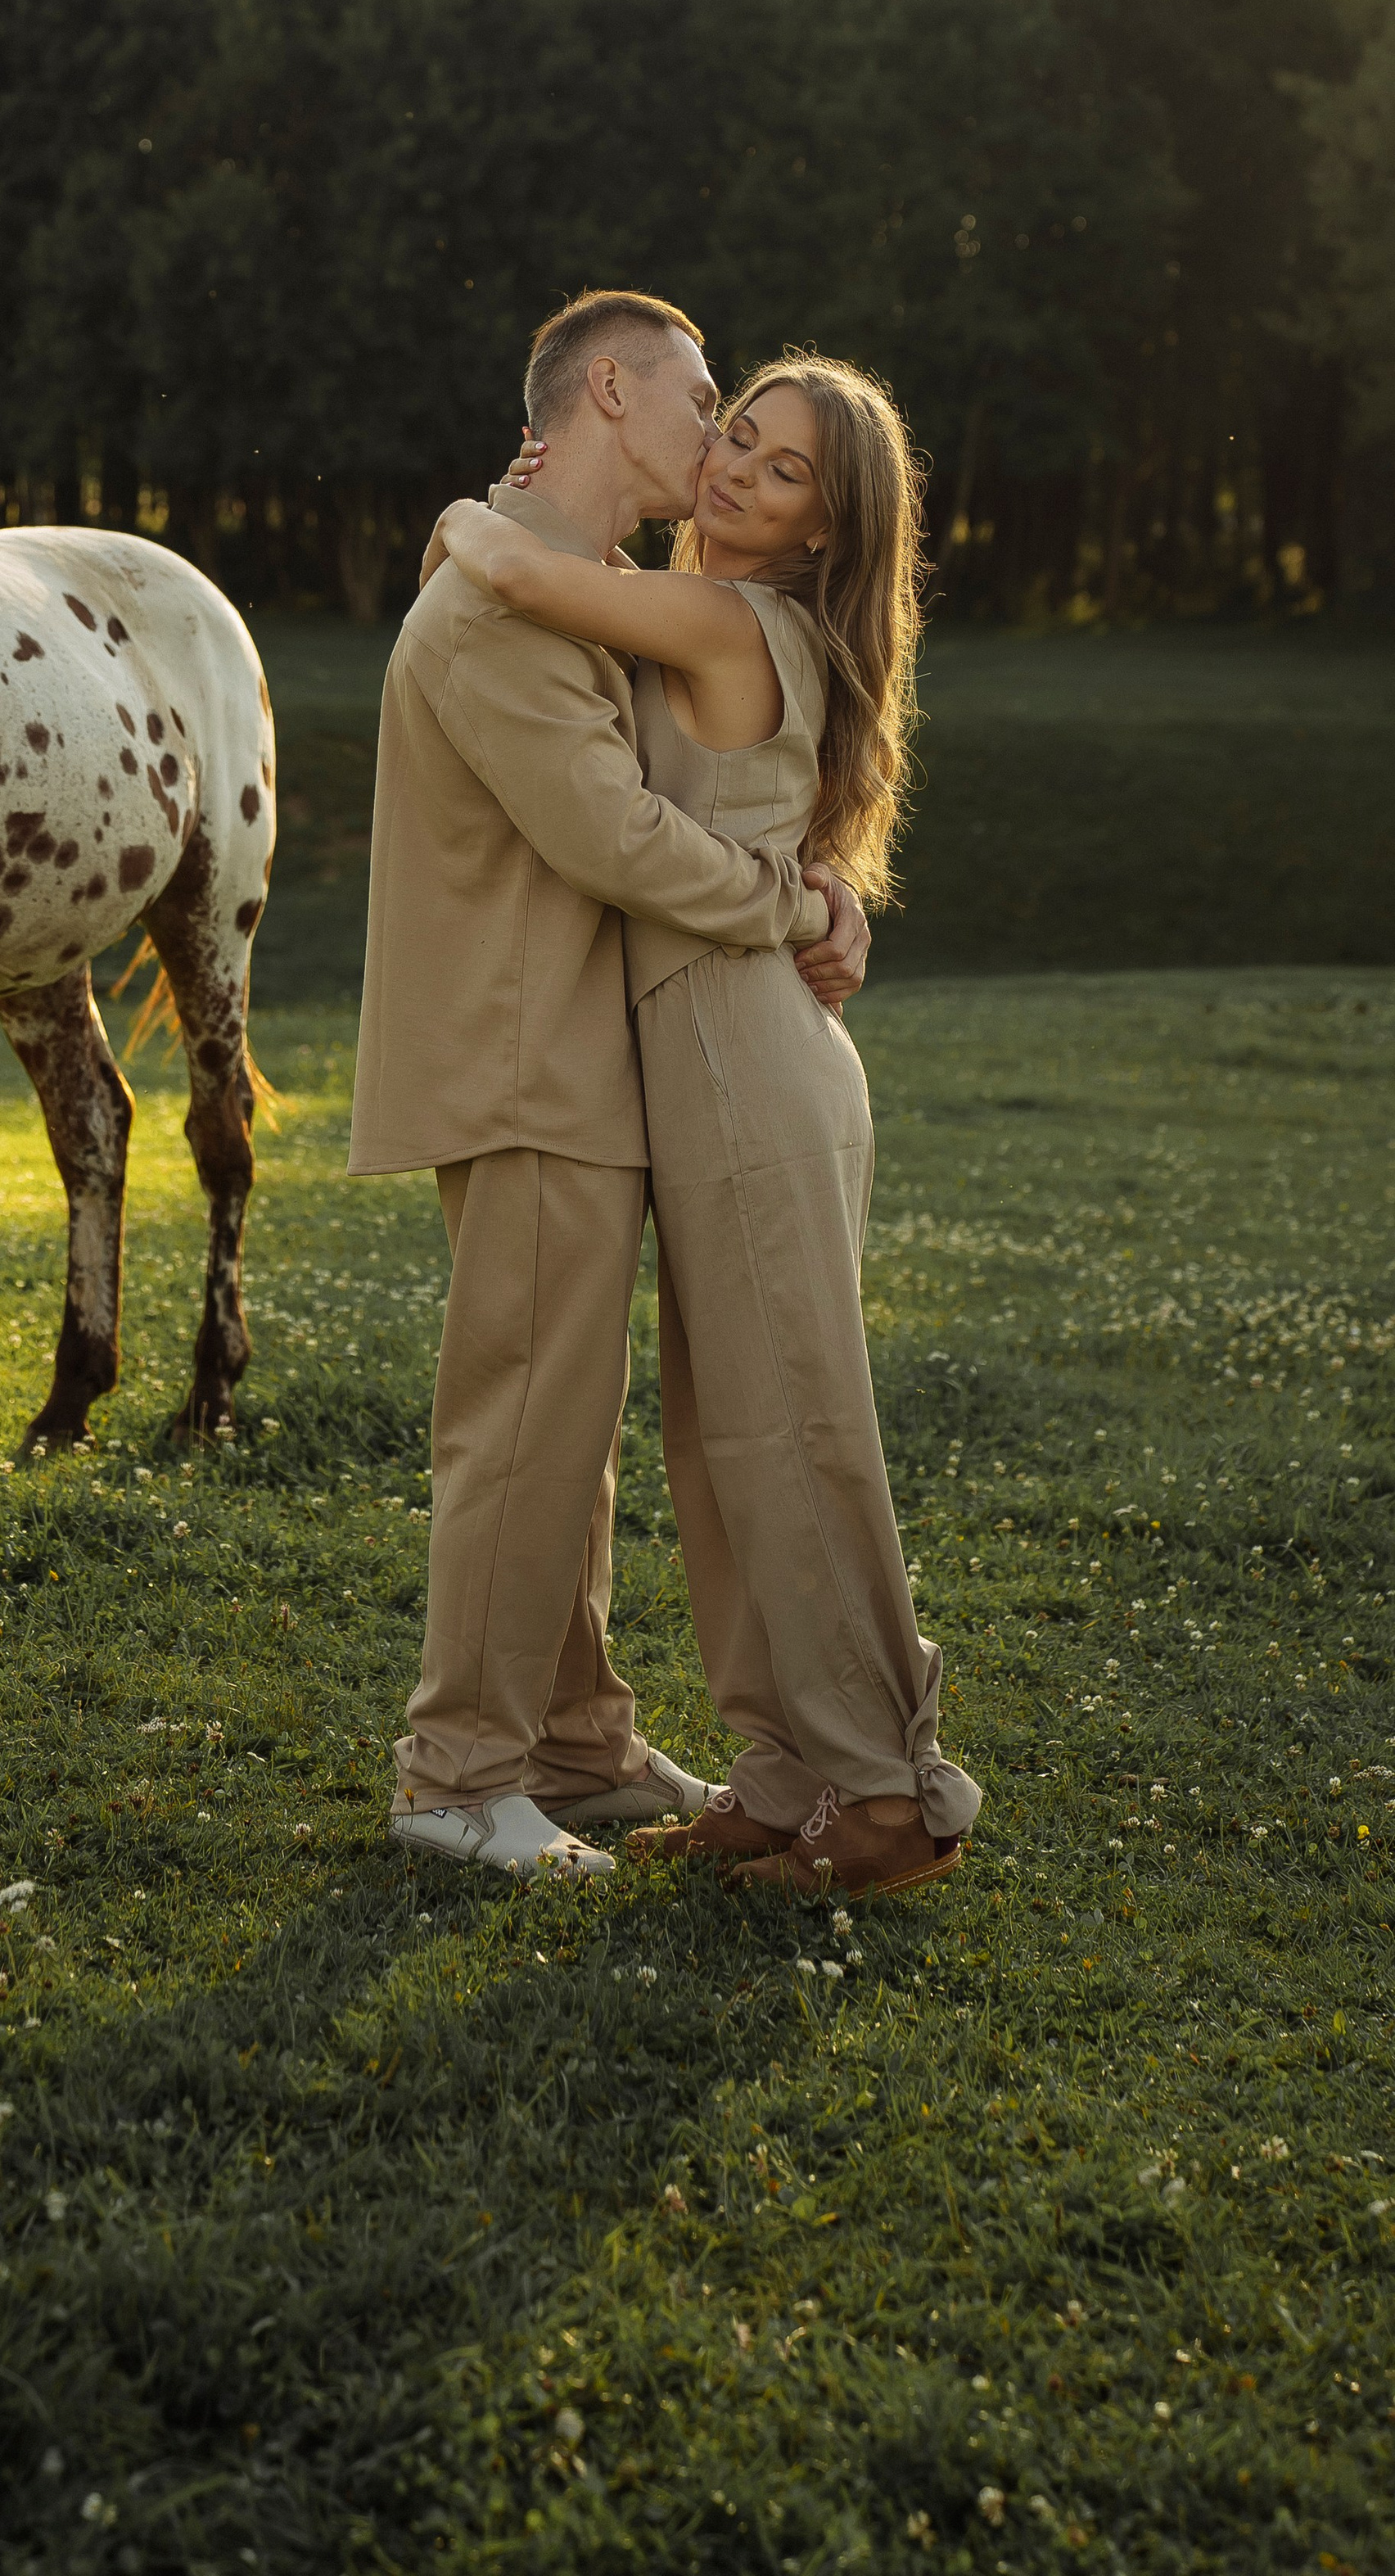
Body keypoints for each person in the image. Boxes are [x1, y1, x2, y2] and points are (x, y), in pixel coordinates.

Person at [426, 351, 980, 1900]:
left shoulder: (727, 616)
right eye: (736, 435)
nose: (736, 471)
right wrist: (830, 899)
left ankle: (885, 1794)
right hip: (728, 1042)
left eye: (784, 470)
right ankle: (787, 1775)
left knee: (789, 1428)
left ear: (820, 532)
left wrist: (489, 507)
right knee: (722, 1435)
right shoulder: (719, 620)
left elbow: (515, 571)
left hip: (742, 1052)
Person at [349, 291, 869, 1883]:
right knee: (518, 1432)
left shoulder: (576, 585)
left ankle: (571, 1740)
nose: (717, 435)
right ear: (610, 389)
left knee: (562, 1431)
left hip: (580, 1059)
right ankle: (456, 1776)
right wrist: (793, 906)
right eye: (703, 397)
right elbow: (607, 836)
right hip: (526, 1064)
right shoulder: (510, 600)